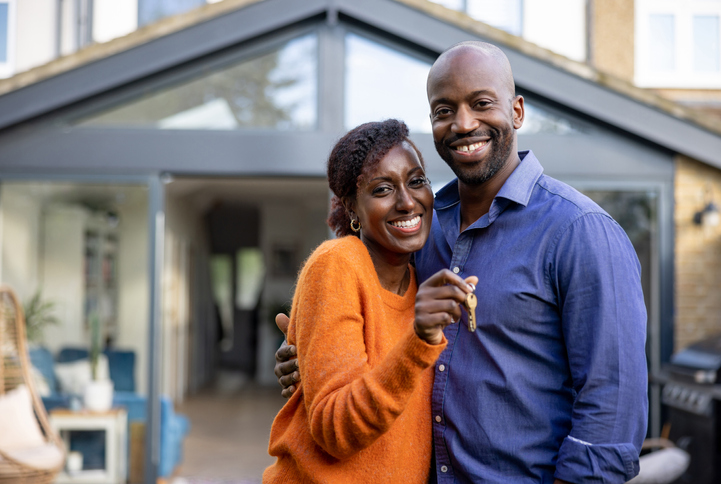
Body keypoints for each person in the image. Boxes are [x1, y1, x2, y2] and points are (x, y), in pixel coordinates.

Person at [275, 41, 648, 484]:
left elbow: (611, 406)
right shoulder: (422, 232)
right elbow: (377, 341)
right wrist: (312, 358)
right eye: (444, 110)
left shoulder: (580, 232)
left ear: (517, 112)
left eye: (482, 103)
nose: (463, 123)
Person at [263, 119, 478, 483]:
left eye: (416, 181)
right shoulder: (337, 264)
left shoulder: (420, 280)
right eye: (382, 189)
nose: (407, 202)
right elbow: (336, 429)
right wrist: (419, 341)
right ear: (352, 208)